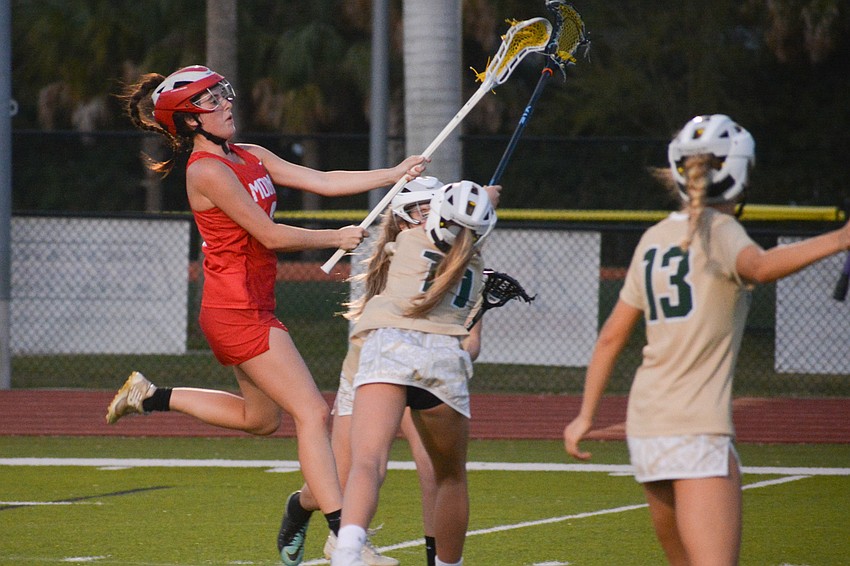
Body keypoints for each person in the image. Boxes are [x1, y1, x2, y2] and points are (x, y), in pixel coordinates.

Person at [103, 65, 427, 564]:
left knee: (259, 420)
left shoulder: (249, 155)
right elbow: (271, 235)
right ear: (189, 122)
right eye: (211, 101)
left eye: (222, 94)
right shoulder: (206, 171)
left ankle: (150, 395)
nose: (226, 104)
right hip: (235, 311)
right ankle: (345, 541)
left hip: (251, 304)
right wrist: (334, 238)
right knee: (312, 413)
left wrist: (393, 173)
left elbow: (322, 179)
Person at [563, 114, 850, 566]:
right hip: (695, 427)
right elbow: (760, 267)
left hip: (646, 426)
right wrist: (839, 239)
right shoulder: (721, 230)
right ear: (739, 174)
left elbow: (610, 339)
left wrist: (585, 416)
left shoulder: (653, 238)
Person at [280, 178, 484, 566]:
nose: (428, 213)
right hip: (371, 362)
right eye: (421, 207)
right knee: (348, 471)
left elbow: (471, 343)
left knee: (430, 468)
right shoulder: (408, 251)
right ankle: (302, 506)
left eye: (433, 205)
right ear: (405, 216)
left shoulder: (457, 254)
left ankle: (425, 556)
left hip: (421, 368)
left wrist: (459, 340)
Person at [330, 180, 499, 566]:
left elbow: (437, 225)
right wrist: (483, 202)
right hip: (442, 359)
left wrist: (477, 197)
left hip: (389, 346)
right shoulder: (472, 264)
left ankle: (348, 550)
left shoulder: (408, 242)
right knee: (450, 476)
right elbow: (464, 229)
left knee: (367, 462)